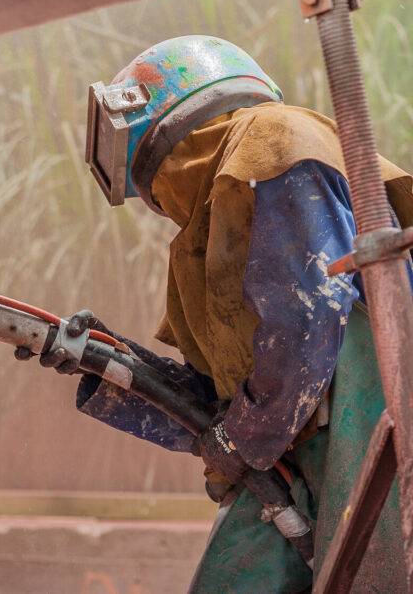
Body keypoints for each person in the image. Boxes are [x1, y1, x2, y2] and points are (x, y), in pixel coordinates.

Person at [37, 35, 410, 592]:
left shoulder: (272, 138)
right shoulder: (209, 228)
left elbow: (307, 314)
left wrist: (242, 439)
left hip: (372, 429)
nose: (160, 197)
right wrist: (108, 364)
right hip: (301, 452)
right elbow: (218, 408)